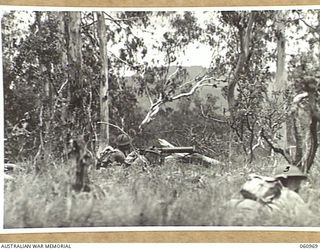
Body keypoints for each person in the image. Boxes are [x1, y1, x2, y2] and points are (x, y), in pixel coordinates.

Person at [225, 165, 314, 226]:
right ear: (292, 181)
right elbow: (307, 219)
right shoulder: (290, 195)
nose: (299, 184)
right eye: (298, 180)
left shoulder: (260, 192)